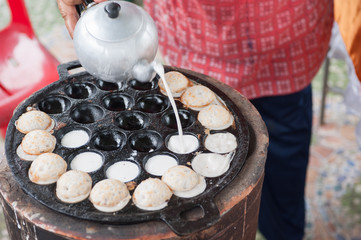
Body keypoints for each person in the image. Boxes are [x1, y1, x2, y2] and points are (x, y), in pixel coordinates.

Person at [57, 0, 334, 239]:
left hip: (284, 39)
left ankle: (284, 233)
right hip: (200, 34)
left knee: (284, 160)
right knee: (195, 148)